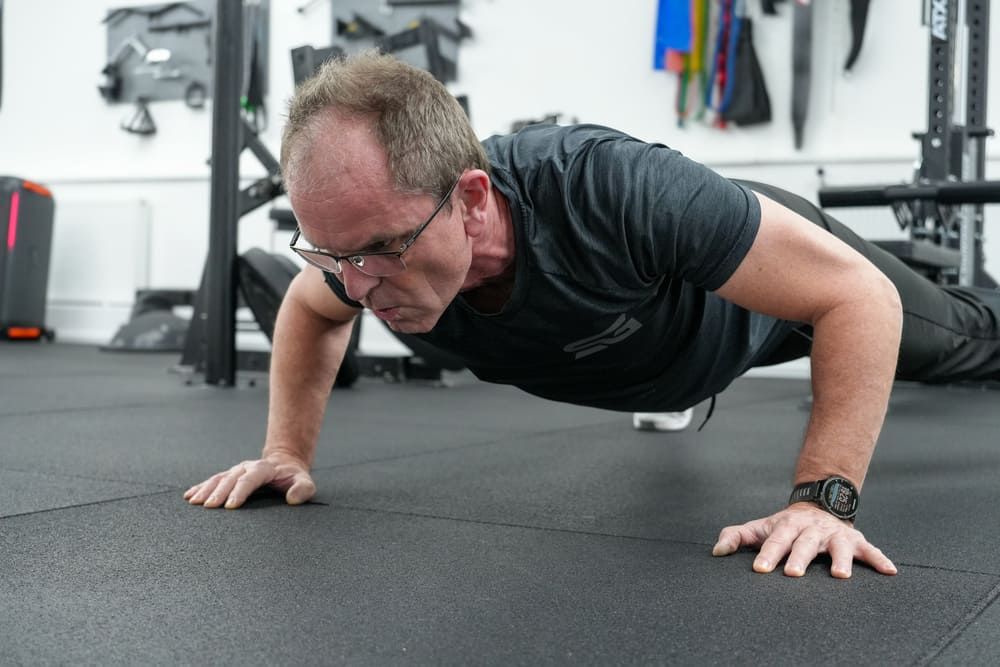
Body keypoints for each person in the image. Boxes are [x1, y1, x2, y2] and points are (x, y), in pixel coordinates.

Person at [185, 52, 1000, 579]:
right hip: (667, 329)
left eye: (376, 251)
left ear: (471, 200)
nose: (356, 289)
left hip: (784, 291)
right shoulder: (369, 255)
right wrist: (285, 451)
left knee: (960, 337)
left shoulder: (611, 189)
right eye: (332, 255)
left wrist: (822, 501)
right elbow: (308, 306)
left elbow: (859, 298)